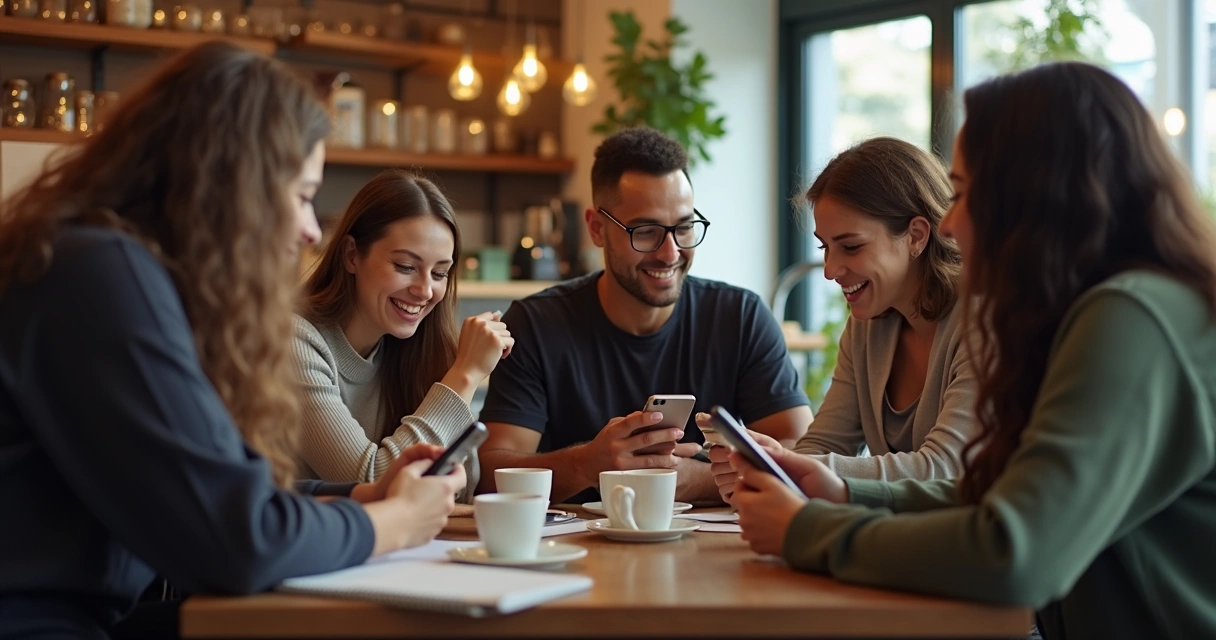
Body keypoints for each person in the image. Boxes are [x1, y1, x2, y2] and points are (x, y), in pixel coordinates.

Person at [729, 62, 1216, 639]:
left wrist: (808, 533)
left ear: (1036, 193)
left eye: (962, 193)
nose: (950, 224)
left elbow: (1015, 551)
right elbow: (1006, 496)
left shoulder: (1130, 318)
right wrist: (845, 490)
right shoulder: (1106, 311)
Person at [0, 42, 464, 638]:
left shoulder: (107, 265)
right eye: (301, 196)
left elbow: (226, 492)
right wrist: (394, 523)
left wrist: (365, 495)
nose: (310, 229)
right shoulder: (101, 274)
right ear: (230, 182)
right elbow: (240, 539)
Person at [477, 127, 812, 505]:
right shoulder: (536, 324)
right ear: (597, 229)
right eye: (646, 231)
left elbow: (802, 453)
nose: (670, 253)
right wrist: (586, 464)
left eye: (684, 228)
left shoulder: (740, 317)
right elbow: (490, 475)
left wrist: (700, 480)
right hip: (578, 540)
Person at [705, 137, 980, 504]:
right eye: (825, 247)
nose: (830, 270)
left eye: (851, 247)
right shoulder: (868, 325)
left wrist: (791, 467)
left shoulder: (984, 319)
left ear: (916, 236)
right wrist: (769, 469)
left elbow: (945, 468)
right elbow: (824, 444)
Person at [294, 169, 513, 498]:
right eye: (405, 267)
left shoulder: (409, 348)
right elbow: (371, 483)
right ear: (352, 255)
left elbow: (462, 489)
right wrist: (465, 374)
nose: (425, 290)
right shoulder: (295, 342)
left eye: (440, 273)